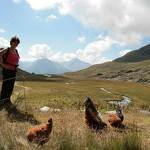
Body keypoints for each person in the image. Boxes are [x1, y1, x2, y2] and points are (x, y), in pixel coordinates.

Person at [0, 36, 20, 110]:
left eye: (17, 43)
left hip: (13, 71)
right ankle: (1, 103)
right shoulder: (7, 49)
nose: (16, 44)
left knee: (10, 87)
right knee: (5, 87)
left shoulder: (16, 51)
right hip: (7, 71)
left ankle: (7, 101)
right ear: (11, 42)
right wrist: (2, 64)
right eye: (14, 42)